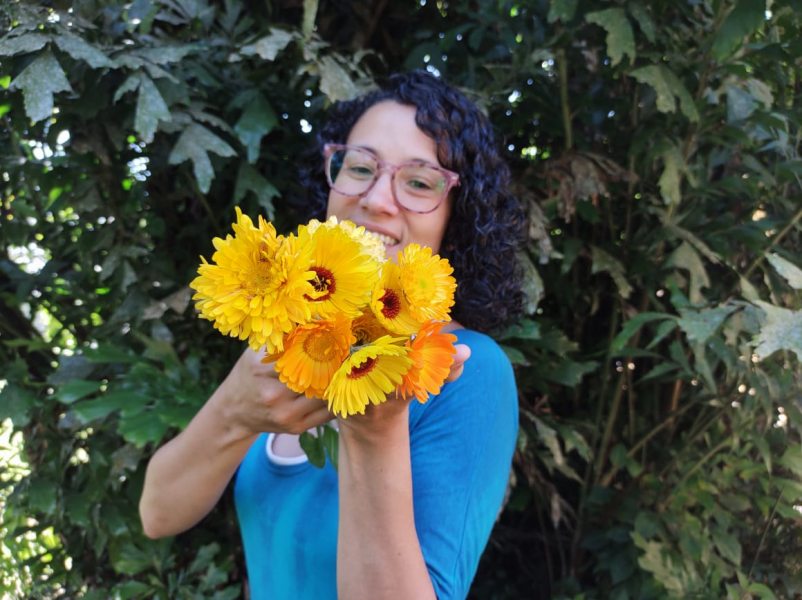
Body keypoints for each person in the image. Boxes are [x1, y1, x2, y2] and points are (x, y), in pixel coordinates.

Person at [139, 71, 526, 599]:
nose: (377, 199)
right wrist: (234, 410)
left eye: (418, 182)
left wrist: (374, 430)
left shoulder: (467, 370)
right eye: (360, 168)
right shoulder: (284, 337)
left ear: (456, 221)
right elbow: (158, 514)